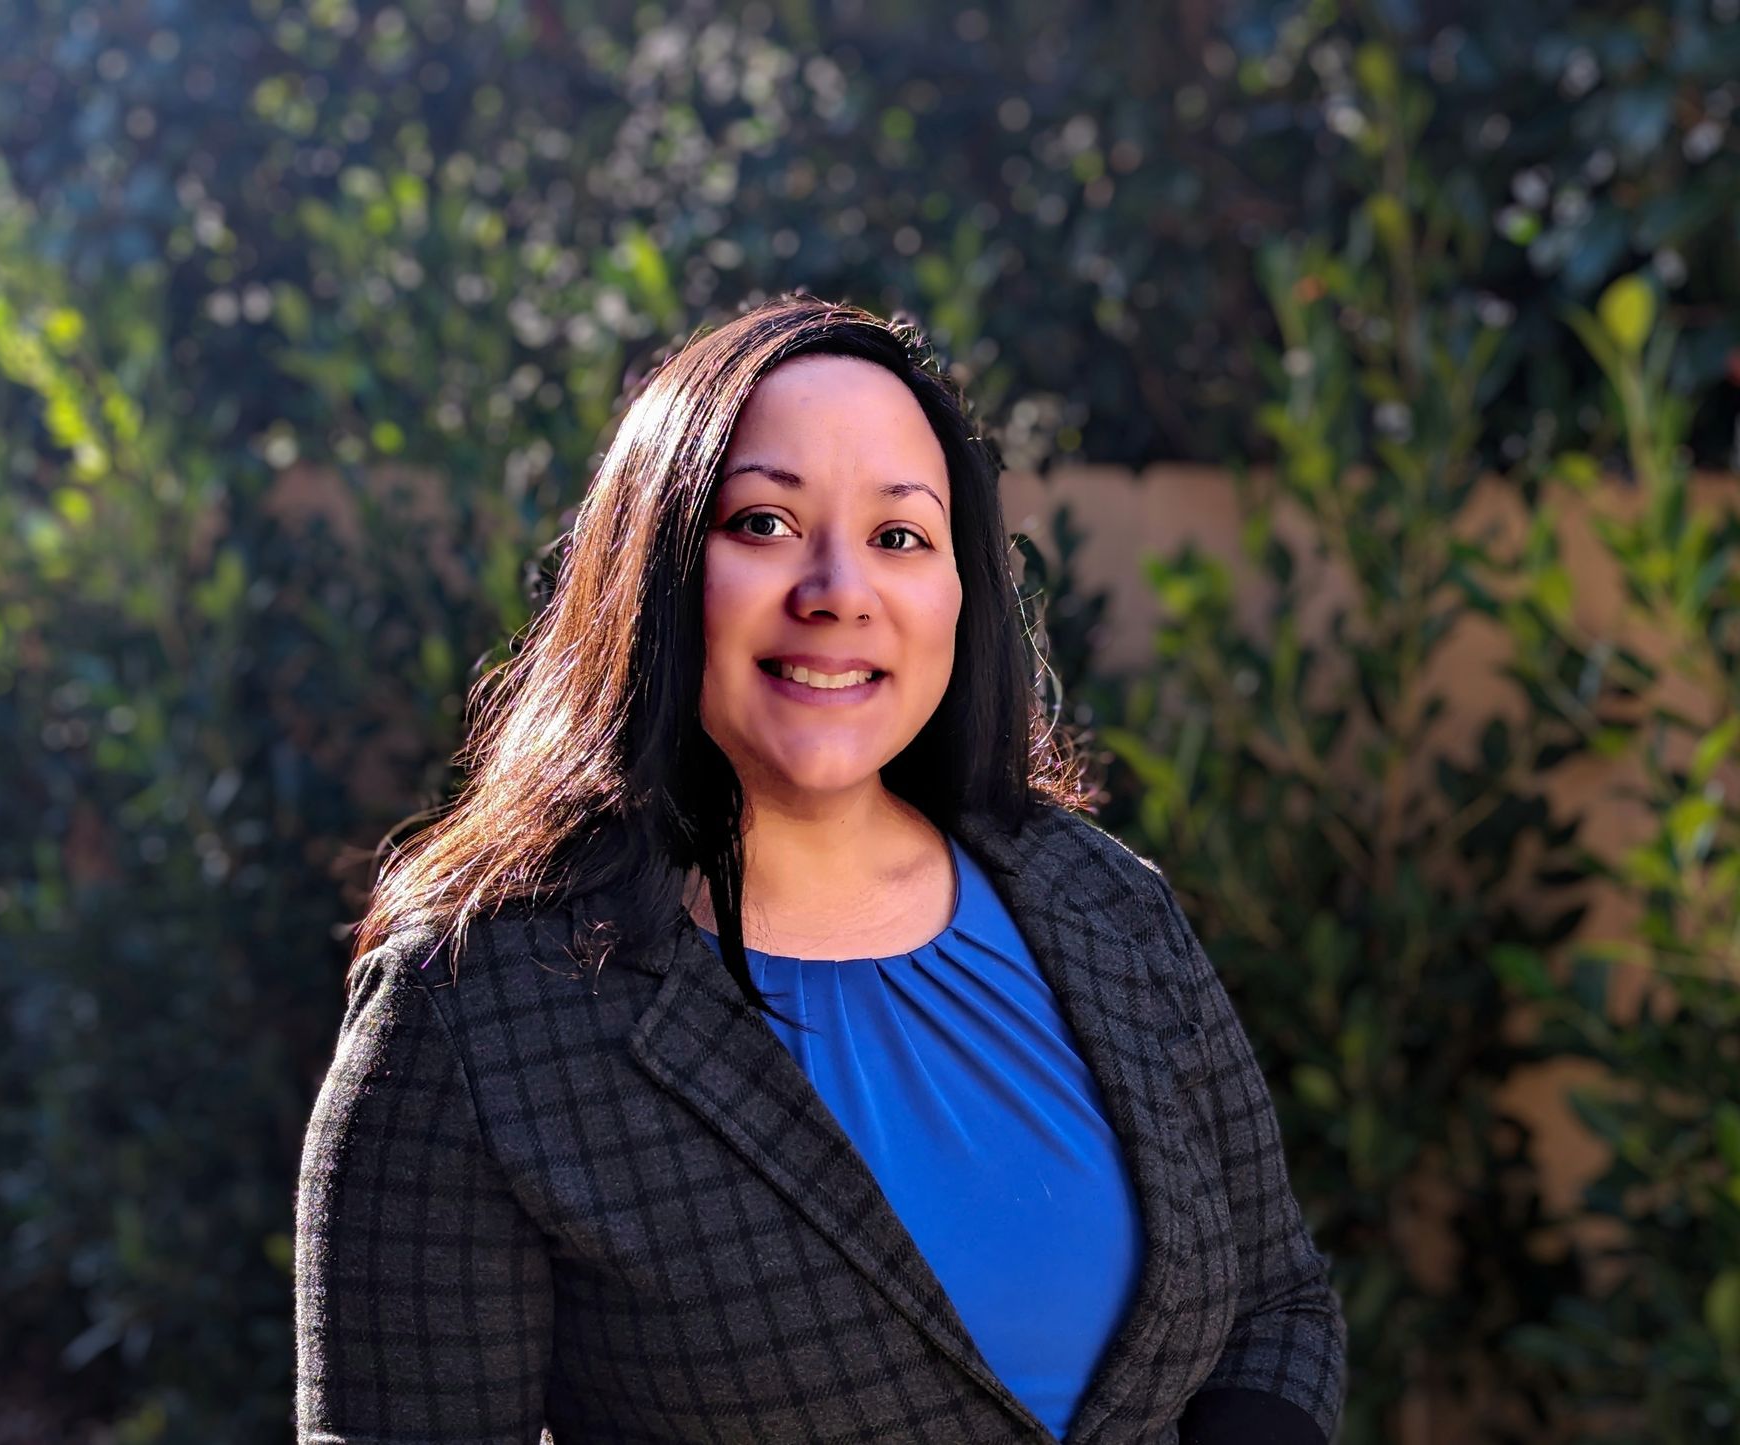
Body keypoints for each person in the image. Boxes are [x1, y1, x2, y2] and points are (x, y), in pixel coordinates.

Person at [294, 294, 1347, 1444]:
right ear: (652, 568)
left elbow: (1275, 1304)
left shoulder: (1100, 901)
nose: (839, 588)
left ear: (961, 592)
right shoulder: (476, 1007)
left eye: (901, 535)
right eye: (764, 522)